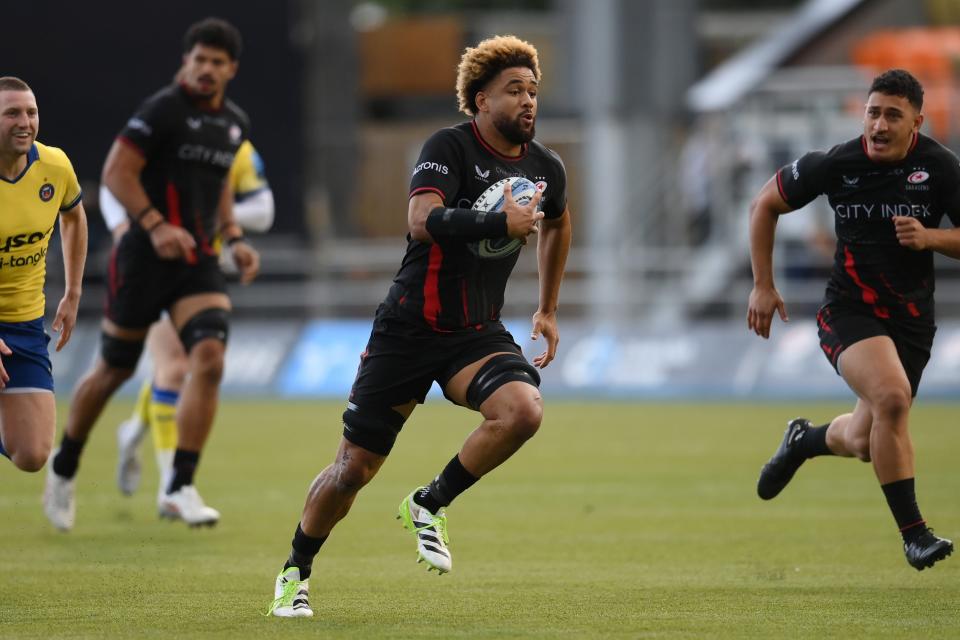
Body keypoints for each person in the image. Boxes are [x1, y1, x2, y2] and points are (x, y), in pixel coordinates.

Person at [267, 35, 572, 618]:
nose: (528, 101)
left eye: (533, 91)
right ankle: (296, 569)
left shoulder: (545, 167)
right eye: (514, 91)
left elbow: (558, 225)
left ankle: (429, 502)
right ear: (480, 100)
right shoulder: (449, 147)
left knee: (523, 411)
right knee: (352, 470)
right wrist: (495, 220)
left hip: (473, 333)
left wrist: (548, 307)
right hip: (408, 328)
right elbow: (419, 221)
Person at [43, 17, 260, 531]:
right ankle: (65, 465)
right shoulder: (162, 110)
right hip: (143, 259)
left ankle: (180, 485)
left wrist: (233, 237)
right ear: (186, 62)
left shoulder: (234, 123)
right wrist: (156, 225)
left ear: (231, 69)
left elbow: (220, 185)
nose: (205, 69)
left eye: (216, 62)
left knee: (209, 358)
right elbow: (117, 172)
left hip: (196, 263)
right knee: (115, 369)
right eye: (198, 59)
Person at [747, 69, 954, 571]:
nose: (879, 126)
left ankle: (804, 441)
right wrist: (763, 284)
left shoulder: (941, 168)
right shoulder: (837, 164)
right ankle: (915, 535)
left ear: (917, 123)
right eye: (872, 112)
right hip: (849, 311)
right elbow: (764, 205)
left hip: (911, 323)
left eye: (892, 116)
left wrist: (931, 239)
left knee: (865, 440)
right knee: (891, 398)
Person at [104, 138, 274, 505]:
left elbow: (264, 211)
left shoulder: (236, 148)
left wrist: (207, 212)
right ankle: (172, 488)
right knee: (176, 368)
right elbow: (111, 183)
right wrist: (123, 230)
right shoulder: (158, 134)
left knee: (187, 366)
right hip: (155, 264)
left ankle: (134, 430)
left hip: (203, 272)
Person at [0, 77, 87, 473]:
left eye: (31, 112)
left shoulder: (54, 165)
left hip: (24, 324)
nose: (25, 122)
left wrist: (72, 292)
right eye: (12, 113)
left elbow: (74, 217)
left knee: (34, 455)